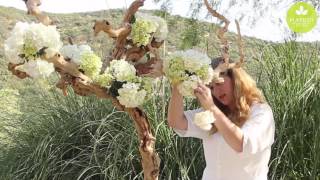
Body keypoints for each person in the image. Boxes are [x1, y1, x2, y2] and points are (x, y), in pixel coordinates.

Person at [167, 57, 275, 180]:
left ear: (236, 79)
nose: (216, 92)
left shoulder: (261, 112)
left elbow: (242, 144)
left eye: (219, 83)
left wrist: (212, 108)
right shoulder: (214, 112)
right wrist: (178, 84)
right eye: (211, 87)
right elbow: (176, 122)